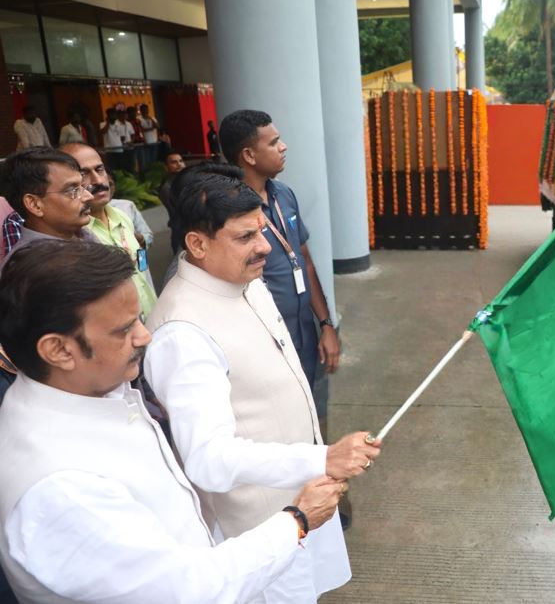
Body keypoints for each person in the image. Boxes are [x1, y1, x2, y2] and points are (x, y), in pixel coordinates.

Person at [0, 239, 346, 603]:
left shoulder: (92, 392)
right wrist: (297, 521)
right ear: (58, 350)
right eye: (122, 329)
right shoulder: (60, 491)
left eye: (138, 318)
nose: (144, 335)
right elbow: (189, 590)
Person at [144, 164, 381, 603]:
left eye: (262, 230)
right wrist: (323, 457)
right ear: (196, 243)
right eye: (246, 237)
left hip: (300, 501)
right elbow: (209, 459)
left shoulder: (241, 280)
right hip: (256, 528)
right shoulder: (183, 332)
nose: (264, 247)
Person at [219, 110, 340, 433]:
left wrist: (326, 324)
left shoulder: (284, 194)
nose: (283, 147)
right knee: (280, 425)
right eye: (273, 142)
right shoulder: (226, 208)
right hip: (266, 342)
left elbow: (304, 258)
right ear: (248, 155)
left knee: (313, 415)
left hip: (305, 333)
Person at [61, 142, 157, 318]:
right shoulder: (72, 236)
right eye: (84, 174)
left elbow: (142, 270)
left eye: (99, 170)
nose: (97, 181)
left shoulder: (122, 216)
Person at [0, 147, 95, 271]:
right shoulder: (32, 271)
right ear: (34, 205)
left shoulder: (82, 236)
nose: (89, 196)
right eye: (72, 190)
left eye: (83, 186)